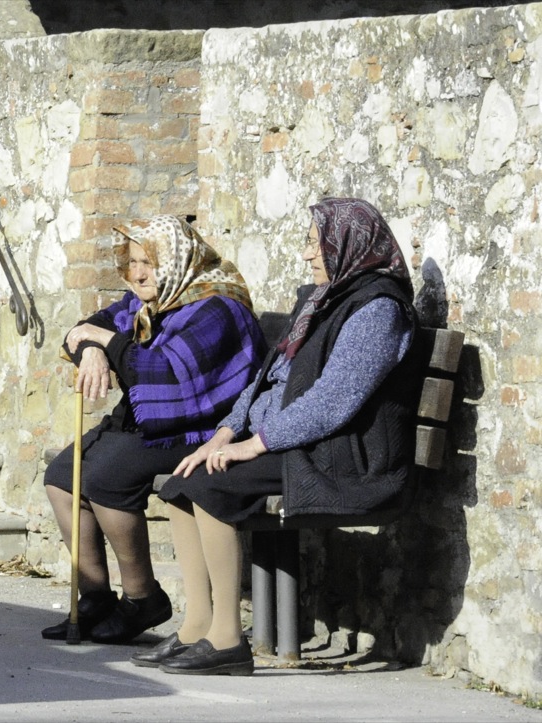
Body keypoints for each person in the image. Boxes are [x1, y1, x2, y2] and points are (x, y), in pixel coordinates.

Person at [146, 198, 418, 676]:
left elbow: (333, 402)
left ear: (347, 245)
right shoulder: (322, 299)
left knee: (210, 487)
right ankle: (198, 625)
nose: (308, 254)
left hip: (342, 455)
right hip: (295, 441)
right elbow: (265, 381)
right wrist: (226, 432)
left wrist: (255, 444)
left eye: (316, 244)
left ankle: (227, 640)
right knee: (181, 484)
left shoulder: (377, 310)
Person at [43, 216, 264, 644]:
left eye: (150, 263)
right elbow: (88, 328)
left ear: (178, 262)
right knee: (61, 477)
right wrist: (92, 351)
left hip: (202, 429)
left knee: (106, 476)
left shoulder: (216, 307)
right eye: (133, 262)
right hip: (151, 422)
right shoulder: (147, 302)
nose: (138, 274)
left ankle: (143, 597)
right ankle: (96, 597)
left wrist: (106, 342)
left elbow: (162, 373)